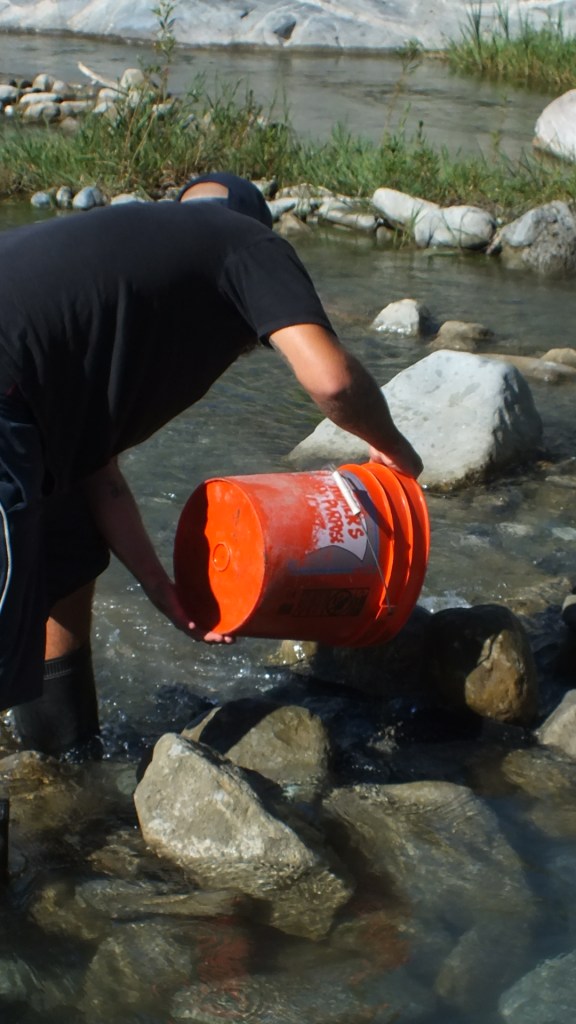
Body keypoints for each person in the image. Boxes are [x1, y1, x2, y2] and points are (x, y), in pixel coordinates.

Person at [0, 171, 422, 759]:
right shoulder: (247, 241)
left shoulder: (119, 261)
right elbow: (332, 379)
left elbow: (99, 475)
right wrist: (395, 448)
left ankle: (63, 764)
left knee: (66, 553)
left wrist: (158, 586)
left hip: (31, 404)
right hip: (7, 392)